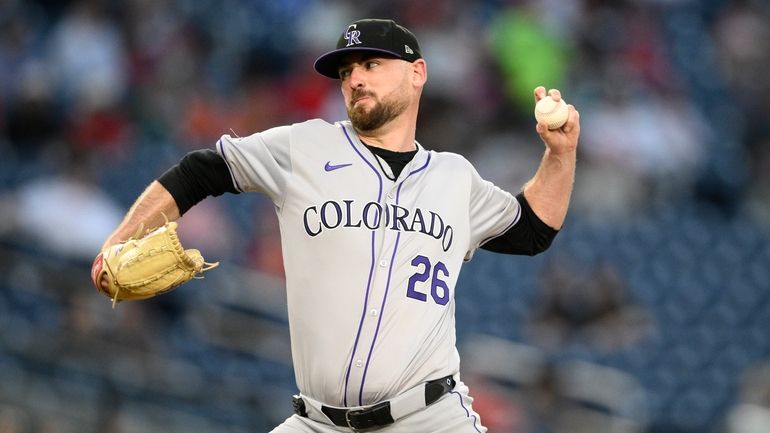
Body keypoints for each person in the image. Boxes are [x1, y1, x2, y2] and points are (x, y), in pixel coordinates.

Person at [92, 18, 580, 433]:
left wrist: (560, 155)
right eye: (346, 71)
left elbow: (533, 229)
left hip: (428, 418)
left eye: (371, 65)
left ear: (417, 73)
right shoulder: (304, 147)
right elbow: (202, 169)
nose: (355, 80)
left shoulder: (455, 178)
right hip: (317, 421)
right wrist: (120, 240)